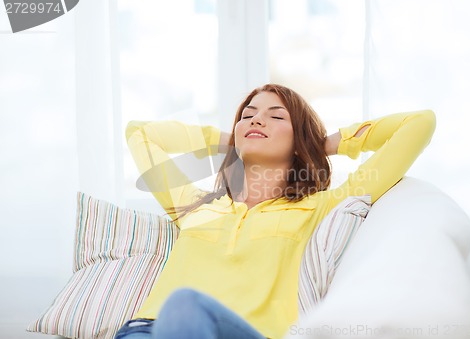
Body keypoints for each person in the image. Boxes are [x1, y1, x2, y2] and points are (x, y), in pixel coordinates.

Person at [115, 84, 436, 339]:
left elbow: (419, 124)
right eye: (248, 115)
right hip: (148, 330)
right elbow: (138, 133)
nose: (255, 120)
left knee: (186, 304)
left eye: (277, 117)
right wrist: (229, 139)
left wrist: (322, 142)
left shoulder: (322, 206)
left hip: (251, 333)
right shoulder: (193, 205)